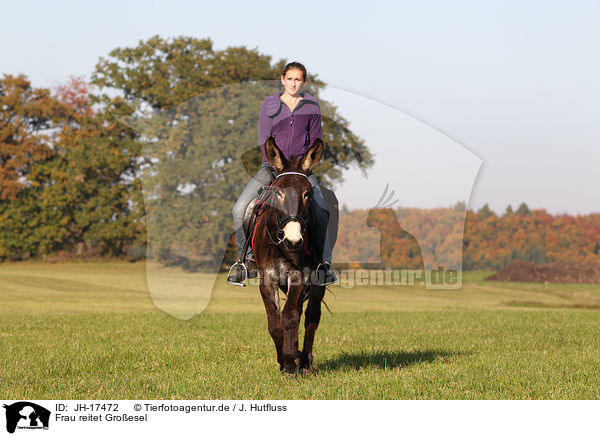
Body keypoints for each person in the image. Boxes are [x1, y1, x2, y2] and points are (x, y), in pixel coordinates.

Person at [228, 61, 337, 286]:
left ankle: (323, 265)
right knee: (240, 209)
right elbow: (263, 138)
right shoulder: (269, 105)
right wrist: (276, 163)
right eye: (290, 79)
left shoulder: (312, 106)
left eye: (298, 79)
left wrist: (305, 166)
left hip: (301, 170)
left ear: (304, 82)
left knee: (322, 212)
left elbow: (316, 138)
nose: (293, 83)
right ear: (282, 79)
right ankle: (244, 262)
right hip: (272, 167)